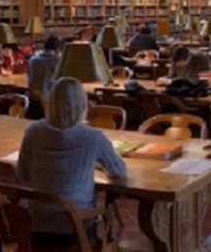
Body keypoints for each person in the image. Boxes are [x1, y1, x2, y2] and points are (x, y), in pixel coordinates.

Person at [15, 78, 128, 236]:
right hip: (77, 227)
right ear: (83, 105)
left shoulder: (33, 131)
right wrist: (96, 165)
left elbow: (22, 174)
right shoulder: (93, 137)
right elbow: (119, 171)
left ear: (51, 103)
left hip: (37, 223)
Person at [27, 36, 63, 107]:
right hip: (50, 102)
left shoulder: (32, 60)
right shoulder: (57, 61)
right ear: (58, 49)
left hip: (31, 100)